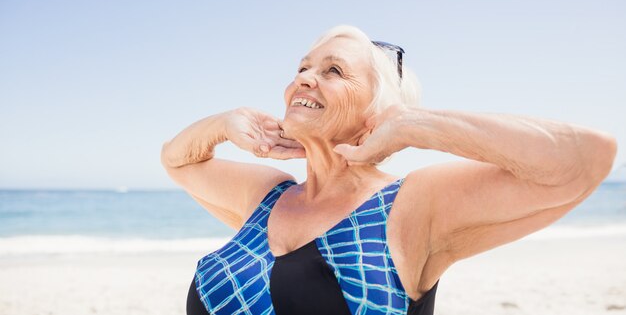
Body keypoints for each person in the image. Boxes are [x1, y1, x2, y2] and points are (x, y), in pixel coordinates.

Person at [160, 25, 617, 315]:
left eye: (334, 71)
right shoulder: (268, 196)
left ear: (376, 112)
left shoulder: (410, 207)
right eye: (302, 67)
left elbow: (585, 158)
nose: (304, 77)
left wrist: (415, 126)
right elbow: (176, 160)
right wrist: (222, 124)